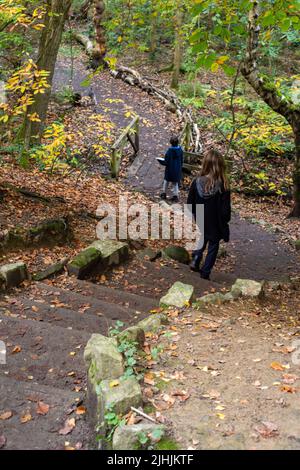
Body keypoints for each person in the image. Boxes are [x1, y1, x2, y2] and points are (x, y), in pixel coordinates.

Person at [187, 148, 231, 280]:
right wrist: (225, 221)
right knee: (213, 243)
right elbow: (224, 210)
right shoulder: (223, 186)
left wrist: (196, 214)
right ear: (220, 166)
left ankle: (196, 259)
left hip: (200, 216)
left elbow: (190, 203)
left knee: (203, 236)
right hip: (215, 220)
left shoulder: (197, 181)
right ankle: (205, 272)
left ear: (206, 164)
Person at [160, 136, 183, 203]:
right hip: (177, 170)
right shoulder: (180, 150)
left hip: (169, 170)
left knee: (166, 181)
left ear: (171, 143)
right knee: (175, 183)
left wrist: (161, 162)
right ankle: (175, 196)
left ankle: (164, 193)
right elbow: (181, 160)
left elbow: (166, 161)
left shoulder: (169, 151)